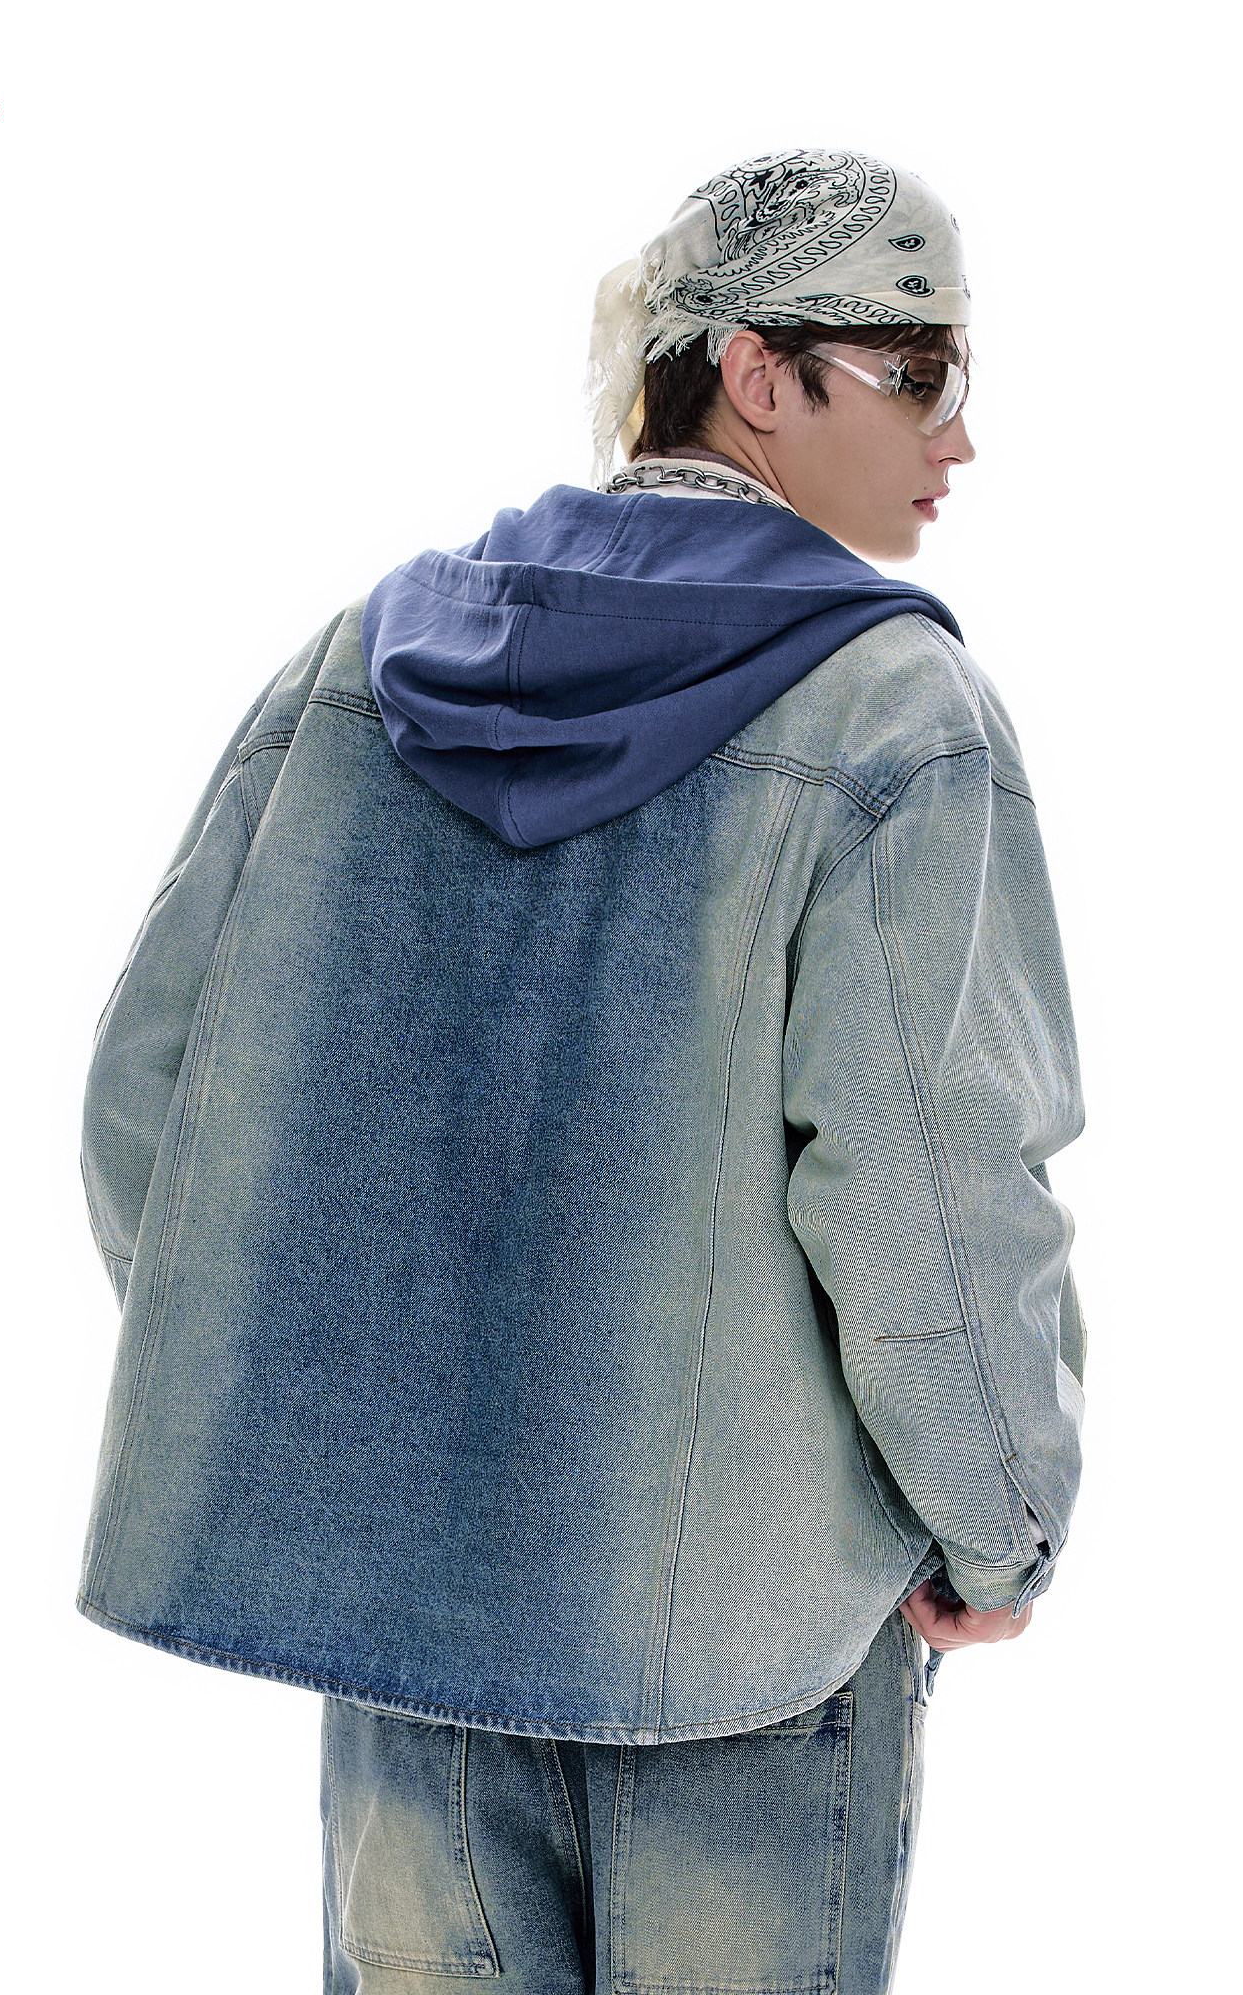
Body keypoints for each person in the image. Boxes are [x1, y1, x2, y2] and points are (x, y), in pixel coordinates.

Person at [78, 146, 1086, 1993]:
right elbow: (931, 1189)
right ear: (761, 373)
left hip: (412, 1639)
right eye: (921, 373)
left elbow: (157, 1103)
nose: (960, 436)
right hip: (753, 1651)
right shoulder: (886, 710)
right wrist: (999, 1527)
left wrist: (366, 1430)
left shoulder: (366, 661)